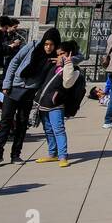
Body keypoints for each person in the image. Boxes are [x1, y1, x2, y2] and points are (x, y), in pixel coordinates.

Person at [0, 28, 58, 167]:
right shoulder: (32, 46)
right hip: (14, 87)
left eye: (51, 45)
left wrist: (61, 58)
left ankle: (16, 154)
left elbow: (77, 56)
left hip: (29, 91)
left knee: (22, 123)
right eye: (46, 44)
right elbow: (14, 62)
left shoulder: (55, 56)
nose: (48, 47)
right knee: (6, 121)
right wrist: (6, 83)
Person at [30, 34, 83, 168]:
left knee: (58, 129)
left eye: (63, 54)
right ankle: (52, 153)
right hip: (43, 103)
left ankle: (63, 156)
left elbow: (67, 83)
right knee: (48, 129)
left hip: (56, 104)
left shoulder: (73, 70)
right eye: (58, 54)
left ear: (70, 54)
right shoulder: (53, 66)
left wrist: (69, 63)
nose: (59, 56)